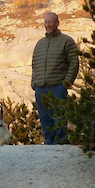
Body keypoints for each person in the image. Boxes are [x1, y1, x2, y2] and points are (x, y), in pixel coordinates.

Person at [30, 11, 79, 144]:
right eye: (46, 22)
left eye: (50, 22)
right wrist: (34, 82)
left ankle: (61, 145)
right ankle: (49, 146)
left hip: (57, 87)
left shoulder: (67, 41)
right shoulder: (40, 43)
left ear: (57, 22)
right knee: (45, 119)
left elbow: (74, 62)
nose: (48, 25)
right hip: (41, 88)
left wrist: (66, 82)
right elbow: (34, 63)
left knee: (59, 119)